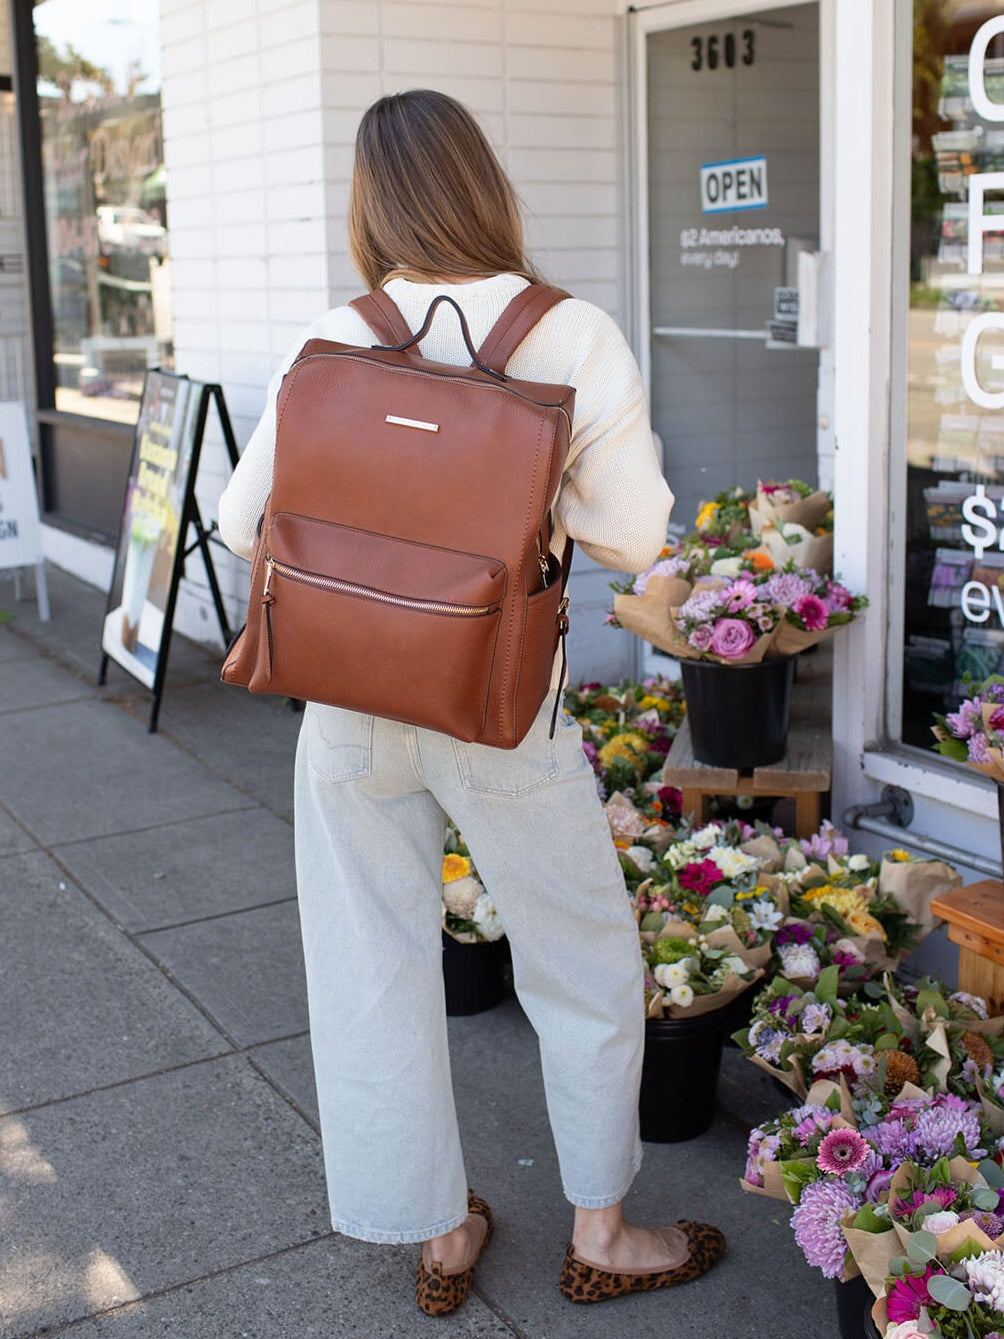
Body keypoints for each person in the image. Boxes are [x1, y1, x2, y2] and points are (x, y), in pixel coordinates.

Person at [218, 88, 725, 1316]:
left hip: (347, 705)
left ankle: (438, 1232)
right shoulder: (570, 334)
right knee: (581, 960)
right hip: (500, 710)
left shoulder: (335, 335)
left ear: (370, 204)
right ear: (483, 183)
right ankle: (601, 1231)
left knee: (371, 966)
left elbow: (242, 525)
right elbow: (632, 534)